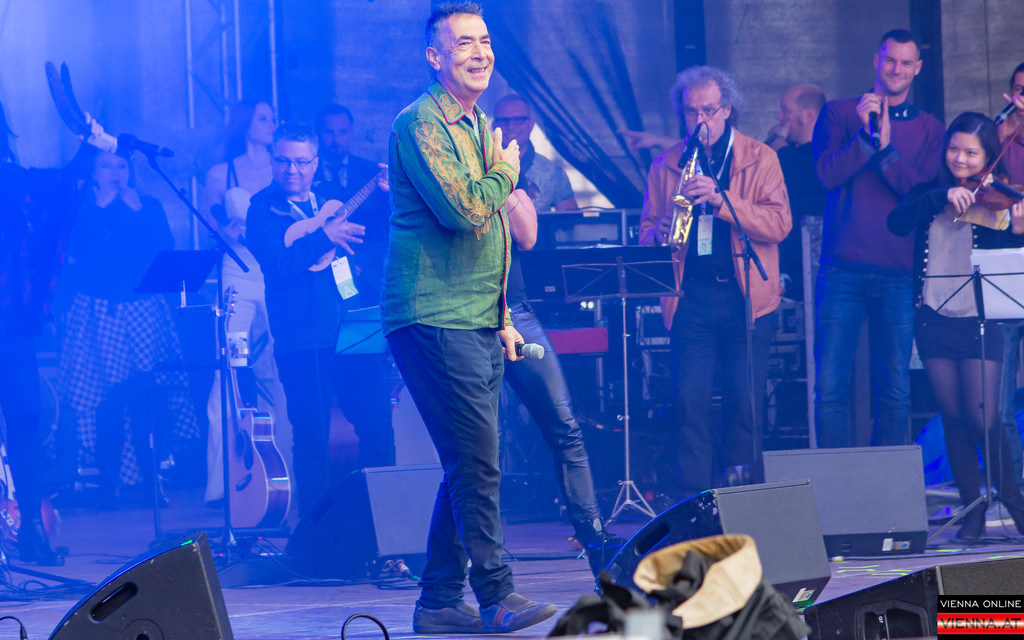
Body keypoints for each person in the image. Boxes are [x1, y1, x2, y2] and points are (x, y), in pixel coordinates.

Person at [382, 2, 557, 633]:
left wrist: (501, 315)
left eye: (484, 41)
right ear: (435, 57)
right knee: (478, 462)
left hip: (476, 317)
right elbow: (466, 213)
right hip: (432, 315)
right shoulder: (421, 123)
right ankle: (496, 595)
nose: (480, 52)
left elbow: (500, 241)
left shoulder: (479, 123)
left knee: (469, 460)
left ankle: (436, 603)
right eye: (464, 44)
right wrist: (508, 171)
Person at [638, 66, 791, 499]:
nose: (699, 120)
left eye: (708, 110)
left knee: (745, 401)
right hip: (690, 297)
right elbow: (645, 233)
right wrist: (658, 233)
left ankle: (742, 496)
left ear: (727, 110)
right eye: (691, 112)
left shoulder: (761, 157)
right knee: (689, 401)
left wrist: (722, 200)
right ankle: (696, 500)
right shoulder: (666, 163)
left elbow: (779, 224)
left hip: (746, 296)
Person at [887, 112, 1024, 540]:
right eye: (954, 149)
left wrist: (1019, 230)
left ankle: (1014, 501)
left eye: (971, 153)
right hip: (933, 317)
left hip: (981, 320)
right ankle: (972, 509)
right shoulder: (927, 193)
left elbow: (1009, 256)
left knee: (985, 419)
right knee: (953, 418)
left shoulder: (997, 198)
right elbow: (896, 222)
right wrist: (940, 196)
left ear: (987, 157)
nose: (960, 159)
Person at [812, 29, 944, 448]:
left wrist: (885, 151)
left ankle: (886, 481)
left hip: (898, 272)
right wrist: (866, 140)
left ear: (917, 69)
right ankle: (833, 481)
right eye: (890, 60)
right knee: (830, 388)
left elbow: (921, 196)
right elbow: (827, 174)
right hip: (841, 267)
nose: (896, 69)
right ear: (876, 60)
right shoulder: (838, 113)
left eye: (906, 63)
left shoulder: (930, 128)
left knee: (896, 390)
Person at [58, 149, 198, 508]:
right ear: (94, 172)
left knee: (147, 396)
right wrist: (100, 207)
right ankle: (108, 484)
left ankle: (151, 479)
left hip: (142, 309)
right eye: (106, 165)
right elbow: (76, 250)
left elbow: (164, 251)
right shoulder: (82, 207)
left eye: (122, 166)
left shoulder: (147, 206)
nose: (115, 172)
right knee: (104, 400)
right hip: (97, 311)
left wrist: (137, 212)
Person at [499, 181, 622, 577]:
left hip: (517, 313)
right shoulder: (454, 183)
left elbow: (527, 237)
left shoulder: (510, 188)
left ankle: (596, 541)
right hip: (470, 318)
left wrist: (501, 180)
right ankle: (474, 557)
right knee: (479, 447)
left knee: (565, 428)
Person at [246, 125, 366, 516]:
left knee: (375, 423)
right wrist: (325, 237)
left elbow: (356, 247)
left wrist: (354, 297)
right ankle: (317, 527)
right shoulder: (261, 210)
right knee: (312, 434)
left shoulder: (330, 197)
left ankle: (375, 521)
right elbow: (278, 267)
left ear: (315, 163)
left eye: (301, 161)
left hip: (352, 328)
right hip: (301, 337)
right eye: (283, 160)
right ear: (272, 160)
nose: (291, 170)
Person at [0, 101, 100, 565]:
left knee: (25, 417)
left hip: (9, 321)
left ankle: (32, 531)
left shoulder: (10, 178)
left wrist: (88, 148)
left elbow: (61, 188)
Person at [200, 99, 292, 506]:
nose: (272, 123)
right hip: (238, 271)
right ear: (245, 123)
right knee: (229, 368)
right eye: (264, 118)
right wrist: (229, 229)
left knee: (281, 365)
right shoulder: (221, 173)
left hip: (276, 271)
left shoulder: (285, 167)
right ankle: (222, 483)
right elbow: (210, 227)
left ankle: (285, 474)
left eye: (273, 118)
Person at [313, 104, 394, 469]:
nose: (335, 140)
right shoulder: (306, 175)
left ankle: (380, 471)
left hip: (366, 285)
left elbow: (391, 224)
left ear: (351, 132)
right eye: (328, 132)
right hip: (320, 295)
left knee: (367, 376)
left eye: (342, 132)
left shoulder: (370, 172)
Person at [766, 84, 828, 301]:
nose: (779, 117)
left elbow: (797, 173)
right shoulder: (785, 150)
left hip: (814, 265)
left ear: (808, 115)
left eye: (786, 111)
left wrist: (776, 141)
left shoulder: (827, 152)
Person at [491, 94, 578, 211]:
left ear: (531, 124)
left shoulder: (553, 173)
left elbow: (570, 219)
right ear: (494, 125)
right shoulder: (479, 167)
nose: (511, 126)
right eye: (503, 120)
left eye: (519, 120)